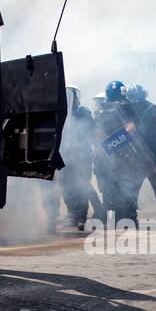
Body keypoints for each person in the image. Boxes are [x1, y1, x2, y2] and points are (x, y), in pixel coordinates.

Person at [95, 81, 156, 223]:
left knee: (132, 189)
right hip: (153, 156)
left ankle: (131, 219)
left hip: (138, 158)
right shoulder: (151, 108)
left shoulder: (126, 109)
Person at [59, 86, 102, 229]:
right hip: (65, 156)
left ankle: (82, 216)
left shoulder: (83, 112)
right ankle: (72, 214)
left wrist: (95, 148)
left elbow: (92, 132)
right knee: (66, 186)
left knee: (82, 185)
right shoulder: (61, 112)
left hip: (81, 156)